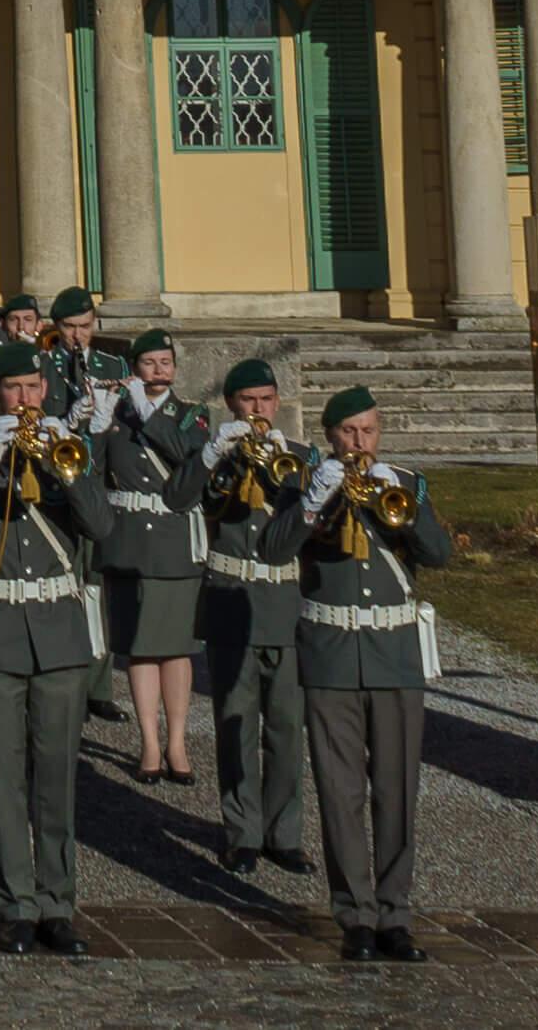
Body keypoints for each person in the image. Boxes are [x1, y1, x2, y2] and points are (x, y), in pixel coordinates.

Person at [0, 342, 113, 955]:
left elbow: (101, 526)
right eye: (15, 390)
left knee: (55, 774)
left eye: (35, 388)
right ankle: (14, 902)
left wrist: (69, 469)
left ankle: (58, 904)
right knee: (2, 774)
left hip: (57, 631)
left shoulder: (68, 448)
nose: (27, 400)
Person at [259, 385, 449, 963]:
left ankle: (396, 914)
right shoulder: (304, 482)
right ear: (330, 436)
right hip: (331, 653)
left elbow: (438, 554)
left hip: (394, 654)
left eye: (368, 431)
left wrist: (404, 509)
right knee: (341, 793)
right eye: (348, 433)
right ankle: (355, 916)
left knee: (396, 790)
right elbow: (271, 549)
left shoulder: (407, 482)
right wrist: (313, 503)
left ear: (379, 430)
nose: (359, 442)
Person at [172, 359, 313, 878]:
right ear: (231, 404)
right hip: (232, 601)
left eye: (267, 400)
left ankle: (285, 835)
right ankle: (241, 833)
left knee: (285, 730)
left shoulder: (300, 458)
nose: (259, 410)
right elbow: (178, 497)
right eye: (249, 400)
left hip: (284, 606)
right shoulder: (216, 457)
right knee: (236, 725)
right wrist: (214, 456)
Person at [98, 329, 211, 785]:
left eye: (166, 362)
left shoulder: (192, 415)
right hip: (128, 542)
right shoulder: (118, 415)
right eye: (149, 363)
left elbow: (192, 456)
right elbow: (90, 465)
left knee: (177, 647)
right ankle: (148, 741)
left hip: (174, 541)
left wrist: (149, 416)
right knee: (141, 647)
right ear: (134, 369)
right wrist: (97, 420)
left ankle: (177, 741)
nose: (159, 370)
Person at [41, 287, 127, 723]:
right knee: (67, 583)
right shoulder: (45, 367)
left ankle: (100, 684)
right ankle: (68, 674)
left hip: (97, 485)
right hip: (60, 488)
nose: (78, 335)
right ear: (57, 328)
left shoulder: (112, 366)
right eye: (70, 327)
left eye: (85, 326)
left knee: (97, 586)